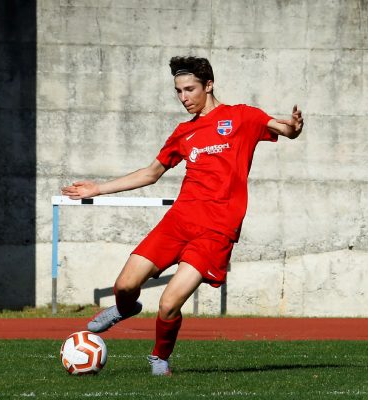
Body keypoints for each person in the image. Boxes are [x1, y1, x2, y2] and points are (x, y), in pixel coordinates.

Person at [61, 56, 303, 375]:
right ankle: (125, 308)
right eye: (178, 91)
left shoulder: (242, 116)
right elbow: (151, 173)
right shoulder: (183, 132)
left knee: (168, 303)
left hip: (216, 231)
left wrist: (294, 128)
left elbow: (283, 128)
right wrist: (98, 189)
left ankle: (159, 358)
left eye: (189, 89)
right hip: (178, 222)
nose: (183, 97)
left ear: (209, 85)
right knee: (123, 285)